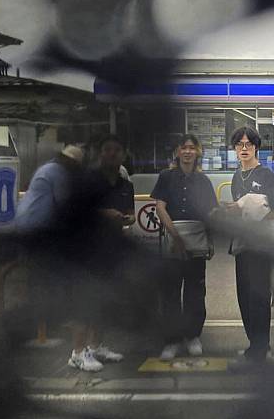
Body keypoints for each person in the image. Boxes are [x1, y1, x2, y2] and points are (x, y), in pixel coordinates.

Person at [16, 145, 113, 372]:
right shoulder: (58, 173)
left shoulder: (49, 169)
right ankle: (79, 351)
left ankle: (88, 346)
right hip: (39, 237)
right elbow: (68, 207)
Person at [68, 134, 136, 371]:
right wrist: (104, 213)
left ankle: (96, 347)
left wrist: (129, 217)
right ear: (100, 153)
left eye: (117, 150)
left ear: (124, 155)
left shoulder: (126, 184)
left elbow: (130, 212)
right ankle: (77, 352)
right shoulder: (87, 180)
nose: (112, 154)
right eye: (107, 149)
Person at [151, 134, 219, 360]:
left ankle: (192, 336)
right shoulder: (166, 177)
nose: (188, 151)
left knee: (195, 293)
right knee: (170, 293)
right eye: (184, 148)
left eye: (192, 148)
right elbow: (160, 207)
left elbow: (209, 213)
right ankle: (171, 341)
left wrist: (210, 240)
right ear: (177, 152)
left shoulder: (203, 181)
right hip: (172, 241)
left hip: (197, 242)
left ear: (198, 152)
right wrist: (175, 236)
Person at [228, 126, 274, 362]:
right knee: (245, 298)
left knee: (259, 297)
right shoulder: (235, 177)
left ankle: (263, 347)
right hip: (243, 245)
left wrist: (250, 208)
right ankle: (254, 344)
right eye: (239, 144)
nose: (244, 148)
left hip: (262, 246)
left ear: (256, 147)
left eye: (248, 144)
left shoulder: (266, 175)